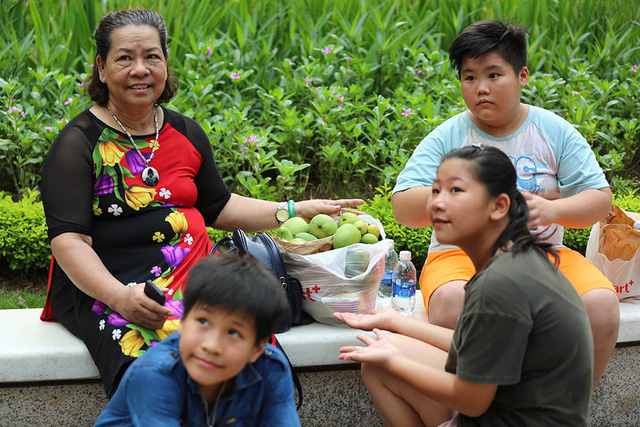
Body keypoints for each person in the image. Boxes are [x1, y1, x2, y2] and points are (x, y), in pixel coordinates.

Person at [39, 9, 362, 397]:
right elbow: (68, 241)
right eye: (125, 58)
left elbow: (219, 208)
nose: (140, 69)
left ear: (165, 64)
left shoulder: (185, 131)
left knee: (257, 364)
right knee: (160, 378)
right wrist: (119, 297)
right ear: (102, 69)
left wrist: (293, 211)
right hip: (117, 285)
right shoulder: (79, 142)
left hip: (198, 277)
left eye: (151, 57)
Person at [391, 20, 618, 387]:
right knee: (451, 301)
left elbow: (599, 198)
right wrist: (462, 201)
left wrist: (552, 210)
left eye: (494, 75)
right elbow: (402, 205)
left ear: (522, 75)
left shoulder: (553, 130)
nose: (481, 88)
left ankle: (564, 413)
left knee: (601, 305)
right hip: (457, 257)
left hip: (541, 253)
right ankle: (481, 407)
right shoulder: (449, 135)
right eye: (469, 77)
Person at [336, 145, 594, 426]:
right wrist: (395, 322)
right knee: (380, 361)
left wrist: (393, 361)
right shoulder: (517, 258)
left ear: (499, 206)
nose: (437, 203)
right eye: (435, 190)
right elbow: (475, 347)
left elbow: (471, 400)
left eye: (455, 191)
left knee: (383, 364)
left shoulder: (501, 283)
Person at [95, 253, 301, 426]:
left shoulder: (270, 367)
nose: (211, 346)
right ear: (183, 321)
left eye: (234, 333)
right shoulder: (156, 373)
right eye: (203, 321)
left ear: (258, 347)